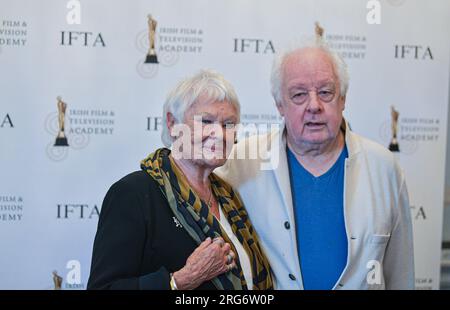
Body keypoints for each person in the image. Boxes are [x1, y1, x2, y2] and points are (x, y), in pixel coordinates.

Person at [216, 40, 414, 290]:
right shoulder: (241, 161)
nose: (314, 106)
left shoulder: (384, 167)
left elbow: (401, 275)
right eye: (298, 94)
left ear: (342, 99)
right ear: (279, 105)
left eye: (325, 92)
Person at [87, 70, 273, 290]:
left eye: (228, 124)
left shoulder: (229, 197)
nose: (220, 134)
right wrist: (181, 280)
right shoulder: (133, 194)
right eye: (206, 121)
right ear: (172, 123)